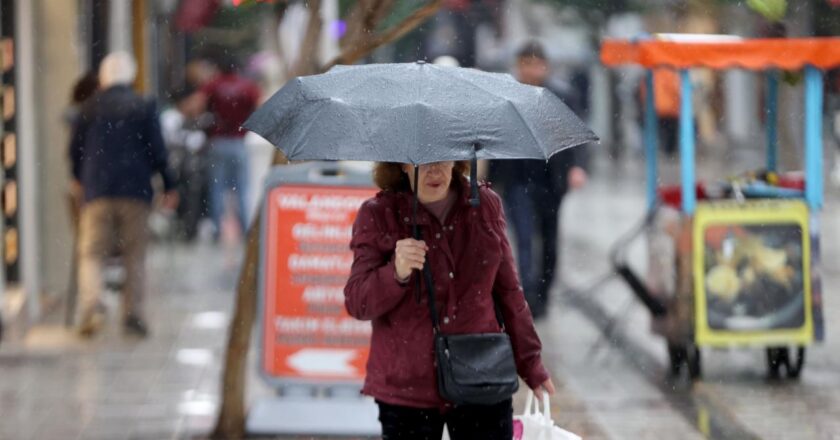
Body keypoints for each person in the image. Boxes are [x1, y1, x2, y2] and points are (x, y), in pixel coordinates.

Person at [344, 160, 554, 439]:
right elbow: (358, 300)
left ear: (457, 159)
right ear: (403, 165)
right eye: (423, 162)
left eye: (442, 159)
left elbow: (509, 292)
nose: (435, 171)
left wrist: (530, 363)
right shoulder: (379, 214)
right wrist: (396, 272)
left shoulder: (484, 205)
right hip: (407, 385)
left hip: (481, 371)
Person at [69, 51, 178, 338]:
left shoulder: (89, 107)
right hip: (135, 190)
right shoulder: (143, 106)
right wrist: (169, 185)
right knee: (135, 253)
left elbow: (75, 150)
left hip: (97, 190)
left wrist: (79, 180)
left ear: (103, 78)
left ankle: (92, 307)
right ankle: (132, 315)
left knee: (92, 253)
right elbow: (158, 151)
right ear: (131, 77)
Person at [490, 41, 587, 319]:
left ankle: (544, 293)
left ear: (545, 67)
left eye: (535, 64)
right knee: (523, 238)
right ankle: (528, 296)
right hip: (516, 179)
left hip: (551, 180)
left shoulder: (561, 96)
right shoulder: (507, 98)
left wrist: (577, 167)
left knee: (549, 240)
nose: (530, 70)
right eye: (525, 64)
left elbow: (576, 136)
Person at [194, 53, 261, 240]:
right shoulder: (247, 86)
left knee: (217, 188)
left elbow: (197, 106)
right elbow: (260, 107)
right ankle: (245, 229)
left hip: (218, 142)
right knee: (242, 188)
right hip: (239, 142)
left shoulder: (213, 85)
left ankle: (217, 230)